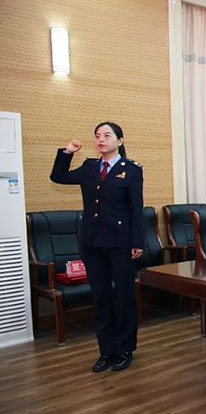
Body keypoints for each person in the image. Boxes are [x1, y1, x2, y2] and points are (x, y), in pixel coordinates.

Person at [50, 121, 145, 373]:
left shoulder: (131, 170)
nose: (101, 139)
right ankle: (106, 351)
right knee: (101, 297)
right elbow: (58, 177)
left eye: (107, 135)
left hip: (121, 243)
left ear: (119, 141)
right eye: (97, 136)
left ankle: (124, 349)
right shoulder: (89, 167)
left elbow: (136, 208)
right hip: (92, 243)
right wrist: (67, 152)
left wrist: (138, 241)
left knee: (124, 296)